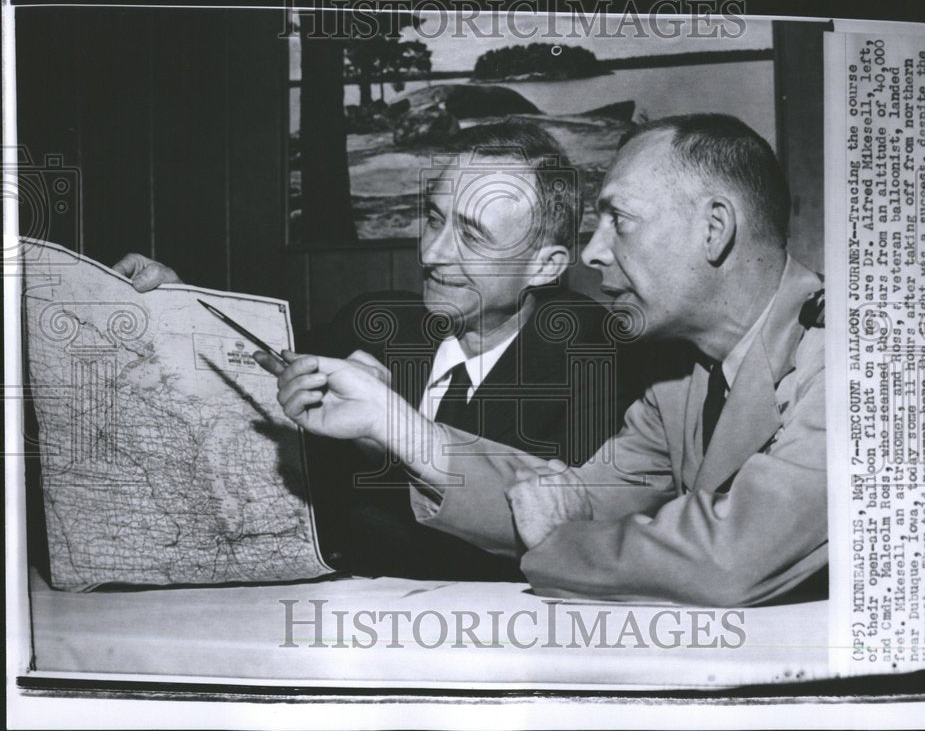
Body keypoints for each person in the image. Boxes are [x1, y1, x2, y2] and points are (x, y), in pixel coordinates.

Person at [274, 113, 828, 606]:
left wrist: (563, 539)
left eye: (620, 220)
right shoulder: (679, 381)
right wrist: (390, 422)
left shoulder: (859, 363)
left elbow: (729, 561)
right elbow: (577, 496)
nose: (592, 252)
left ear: (714, 229)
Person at [114, 121, 642, 581]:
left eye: (473, 237)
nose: (432, 254)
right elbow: (260, 369)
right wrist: (178, 305)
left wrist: (386, 436)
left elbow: (558, 538)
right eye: (435, 219)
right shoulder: (372, 325)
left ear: (546, 267)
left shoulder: (601, 364)